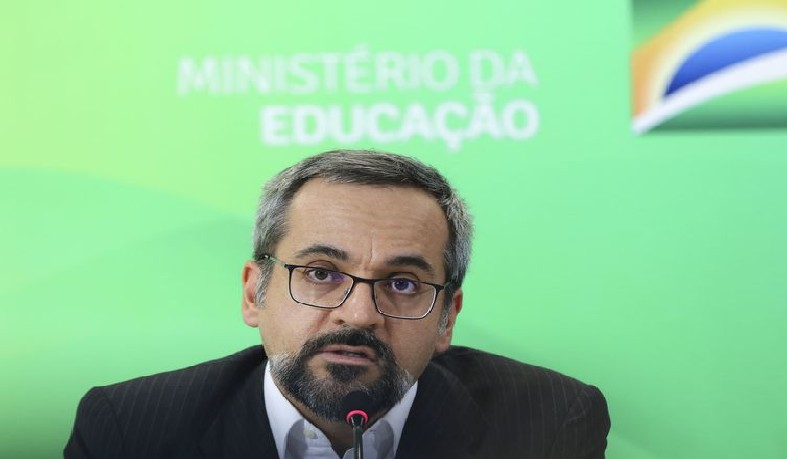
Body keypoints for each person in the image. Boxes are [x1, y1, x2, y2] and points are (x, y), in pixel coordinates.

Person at [64, 150, 610, 458]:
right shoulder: (129, 431)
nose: (359, 313)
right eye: (321, 273)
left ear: (447, 318)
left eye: (402, 283)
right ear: (254, 293)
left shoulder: (549, 425)